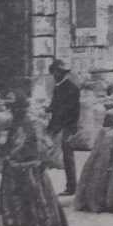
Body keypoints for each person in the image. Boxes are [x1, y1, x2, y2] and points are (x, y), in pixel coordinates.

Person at [0, 96, 70, 226]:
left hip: (25, 167)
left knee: (28, 202)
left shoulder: (24, 125)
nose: (16, 111)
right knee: (34, 200)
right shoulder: (26, 123)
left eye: (18, 109)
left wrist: (3, 151)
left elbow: (18, 145)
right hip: (27, 166)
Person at [46, 59, 81, 195]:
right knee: (62, 155)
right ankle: (70, 186)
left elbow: (72, 111)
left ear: (61, 73)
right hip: (60, 125)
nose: (55, 75)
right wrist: (49, 110)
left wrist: (70, 130)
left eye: (57, 73)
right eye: (54, 72)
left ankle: (72, 187)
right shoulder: (58, 87)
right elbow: (56, 107)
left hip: (68, 126)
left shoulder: (72, 88)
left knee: (68, 156)